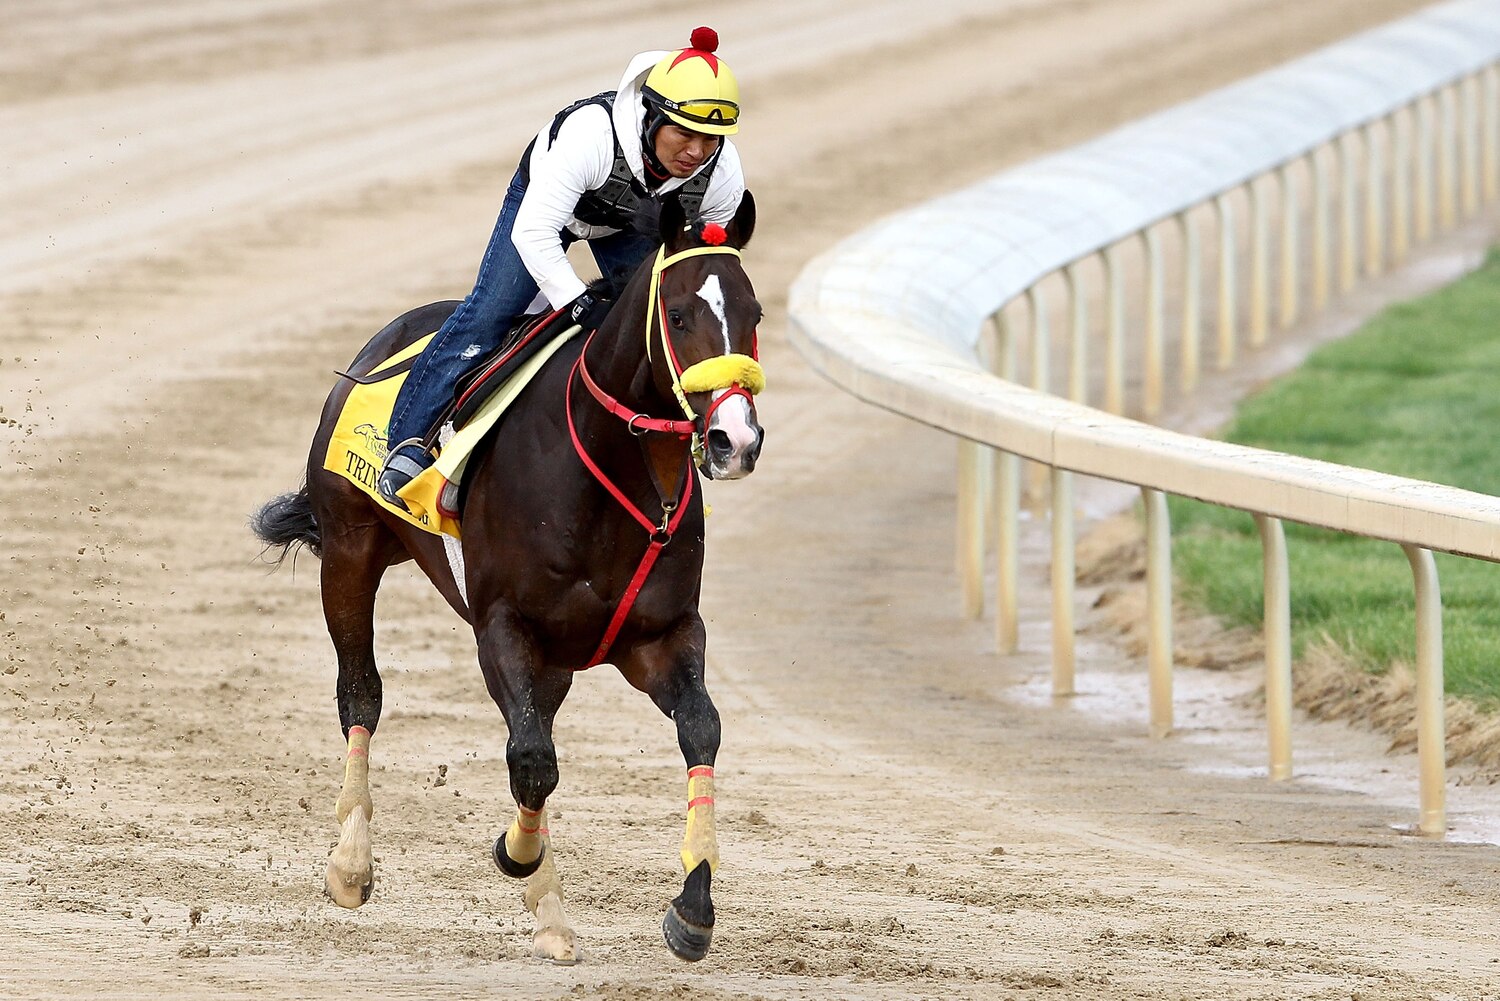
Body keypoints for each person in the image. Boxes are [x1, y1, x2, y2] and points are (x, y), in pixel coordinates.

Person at [377, 26, 747, 508]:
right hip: (546, 213)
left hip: (628, 227)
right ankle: (405, 446)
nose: (696, 152)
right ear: (651, 116)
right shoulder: (590, 135)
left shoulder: (722, 176)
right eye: (684, 132)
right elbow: (533, 233)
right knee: (490, 313)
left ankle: (692, 434)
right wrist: (575, 302)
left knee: (657, 329)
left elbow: (704, 271)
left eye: (711, 137)